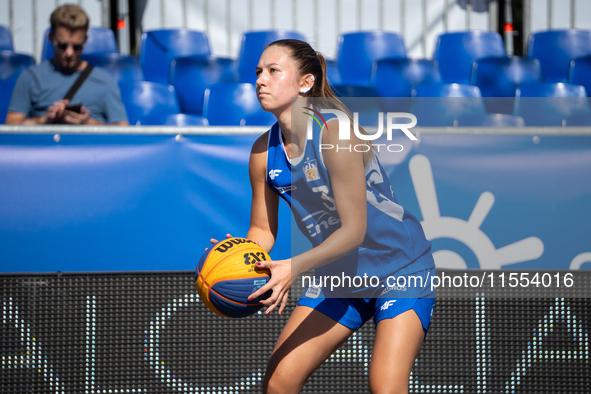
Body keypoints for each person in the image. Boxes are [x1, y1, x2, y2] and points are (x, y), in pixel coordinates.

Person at [214, 39, 436, 394]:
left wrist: (293, 267)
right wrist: (238, 254)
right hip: (341, 275)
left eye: (273, 71)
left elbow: (354, 231)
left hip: (400, 267)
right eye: (258, 72)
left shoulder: (335, 133)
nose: (260, 80)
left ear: (305, 83)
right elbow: (261, 232)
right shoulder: (262, 152)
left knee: (386, 386)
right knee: (279, 381)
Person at [5, 4, 128, 125]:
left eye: (77, 47)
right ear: (51, 38)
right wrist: (45, 119)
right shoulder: (31, 77)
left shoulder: (104, 80)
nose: (69, 53)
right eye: (62, 46)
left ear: (85, 41)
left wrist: (88, 123)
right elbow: (11, 128)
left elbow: (123, 130)